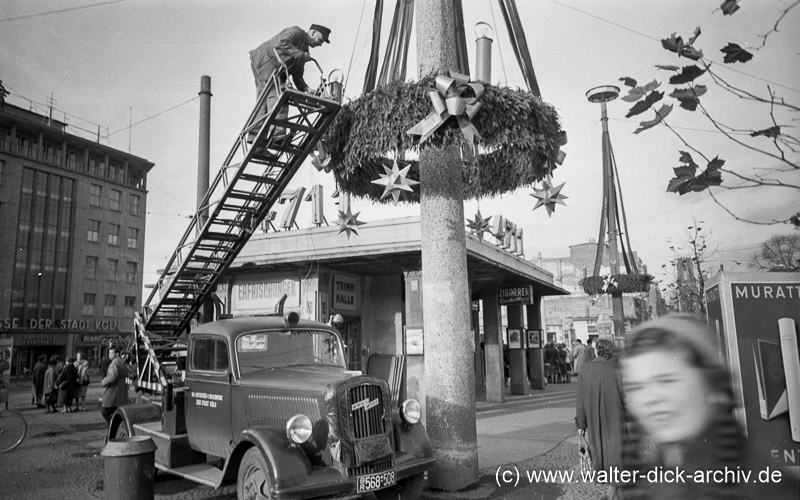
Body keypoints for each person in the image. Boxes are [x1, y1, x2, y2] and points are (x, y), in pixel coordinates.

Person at [620, 314, 799, 499]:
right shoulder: (661, 470)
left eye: (666, 380)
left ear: (713, 384)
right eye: (636, 387)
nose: (650, 398)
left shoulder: (765, 487)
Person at [248, 24, 331, 150]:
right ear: (313, 33)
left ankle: (257, 141)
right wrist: (301, 55)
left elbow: (298, 76)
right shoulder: (296, 32)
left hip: (270, 68)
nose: (320, 44)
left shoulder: (305, 50)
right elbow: (282, 44)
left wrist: (306, 89)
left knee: (264, 101)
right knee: (279, 95)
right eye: (320, 40)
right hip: (265, 61)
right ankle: (277, 137)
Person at [576, 339, 627, 500]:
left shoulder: (584, 370)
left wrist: (581, 425)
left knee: (602, 457)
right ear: (611, 350)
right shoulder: (619, 369)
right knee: (619, 458)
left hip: (594, 422)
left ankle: (612, 494)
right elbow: (627, 397)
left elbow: (580, 401)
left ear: (597, 350)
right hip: (616, 420)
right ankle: (610, 495)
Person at [100, 346, 128, 423]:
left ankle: (114, 428)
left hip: (114, 391)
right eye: (109, 353)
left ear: (117, 353)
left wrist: (104, 382)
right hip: (121, 390)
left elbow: (112, 377)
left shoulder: (114, 363)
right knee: (116, 410)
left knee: (105, 411)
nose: (109, 355)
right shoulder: (121, 361)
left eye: (111, 353)